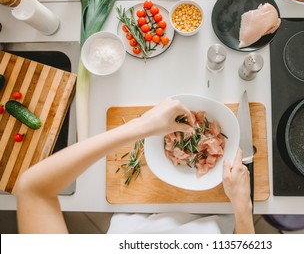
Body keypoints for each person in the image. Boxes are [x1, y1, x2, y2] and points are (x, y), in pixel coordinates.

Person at [15, 98, 254, 234]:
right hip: (218, 217)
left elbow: (33, 189)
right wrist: (243, 207)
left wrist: (142, 126)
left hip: (133, 215)